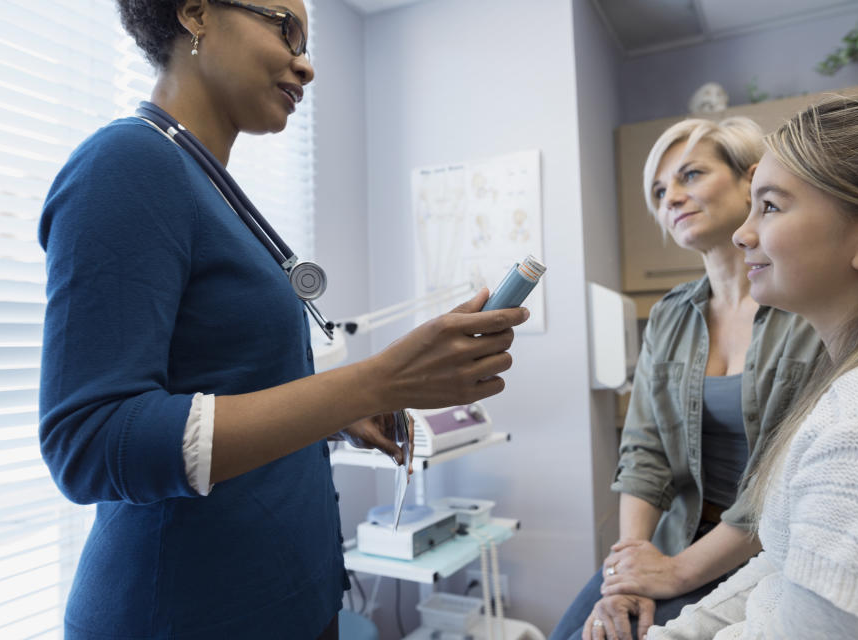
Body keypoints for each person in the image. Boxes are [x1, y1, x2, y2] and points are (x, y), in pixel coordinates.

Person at [37, 1, 529, 638]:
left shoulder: (209, 186)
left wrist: (337, 414)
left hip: (291, 601)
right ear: (195, 13)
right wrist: (377, 382)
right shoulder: (125, 165)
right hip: (186, 616)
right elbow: (91, 439)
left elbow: (224, 385)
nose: (306, 63)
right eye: (284, 27)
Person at [648, 93, 858, 639]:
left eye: (771, 206)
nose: (742, 234)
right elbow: (783, 560)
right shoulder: (853, 387)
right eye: (660, 190)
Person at [550, 117, 823, 640]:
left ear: (752, 179)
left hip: (762, 553)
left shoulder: (808, 307)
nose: (670, 197)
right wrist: (631, 566)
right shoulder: (670, 315)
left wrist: (678, 572)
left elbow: (788, 478)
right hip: (673, 538)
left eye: (690, 175)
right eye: (658, 190)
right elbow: (645, 447)